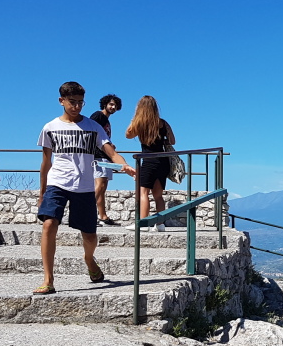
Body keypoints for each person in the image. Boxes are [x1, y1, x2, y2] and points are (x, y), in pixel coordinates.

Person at [34, 82, 135, 295]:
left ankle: (89, 260)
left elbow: (110, 152)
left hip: (84, 186)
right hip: (57, 183)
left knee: (89, 235)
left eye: (81, 102)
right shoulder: (50, 128)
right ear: (61, 101)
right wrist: (42, 192)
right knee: (49, 224)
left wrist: (123, 165)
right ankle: (48, 280)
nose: (77, 107)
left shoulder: (93, 127)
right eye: (73, 102)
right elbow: (45, 163)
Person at [125, 95, 176, 232]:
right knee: (158, 195)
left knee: (143, 193)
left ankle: (143, 223)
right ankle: (160, 224)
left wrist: (135, 117)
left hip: (148, 161)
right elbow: (172, 141)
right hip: (162, 161)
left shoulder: (140, 123)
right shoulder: (163, 123)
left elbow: (128, 135)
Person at [89, 94, 122, 226]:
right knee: (100, 186)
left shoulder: (106, 120)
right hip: (98, 155)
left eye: (115, 105)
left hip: (104, 156)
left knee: (102, 187)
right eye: (111, 104)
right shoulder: (99, 116)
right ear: (105, 104)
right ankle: (87, 213)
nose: (113, 107)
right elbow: (90, 131)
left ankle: (103, 216)